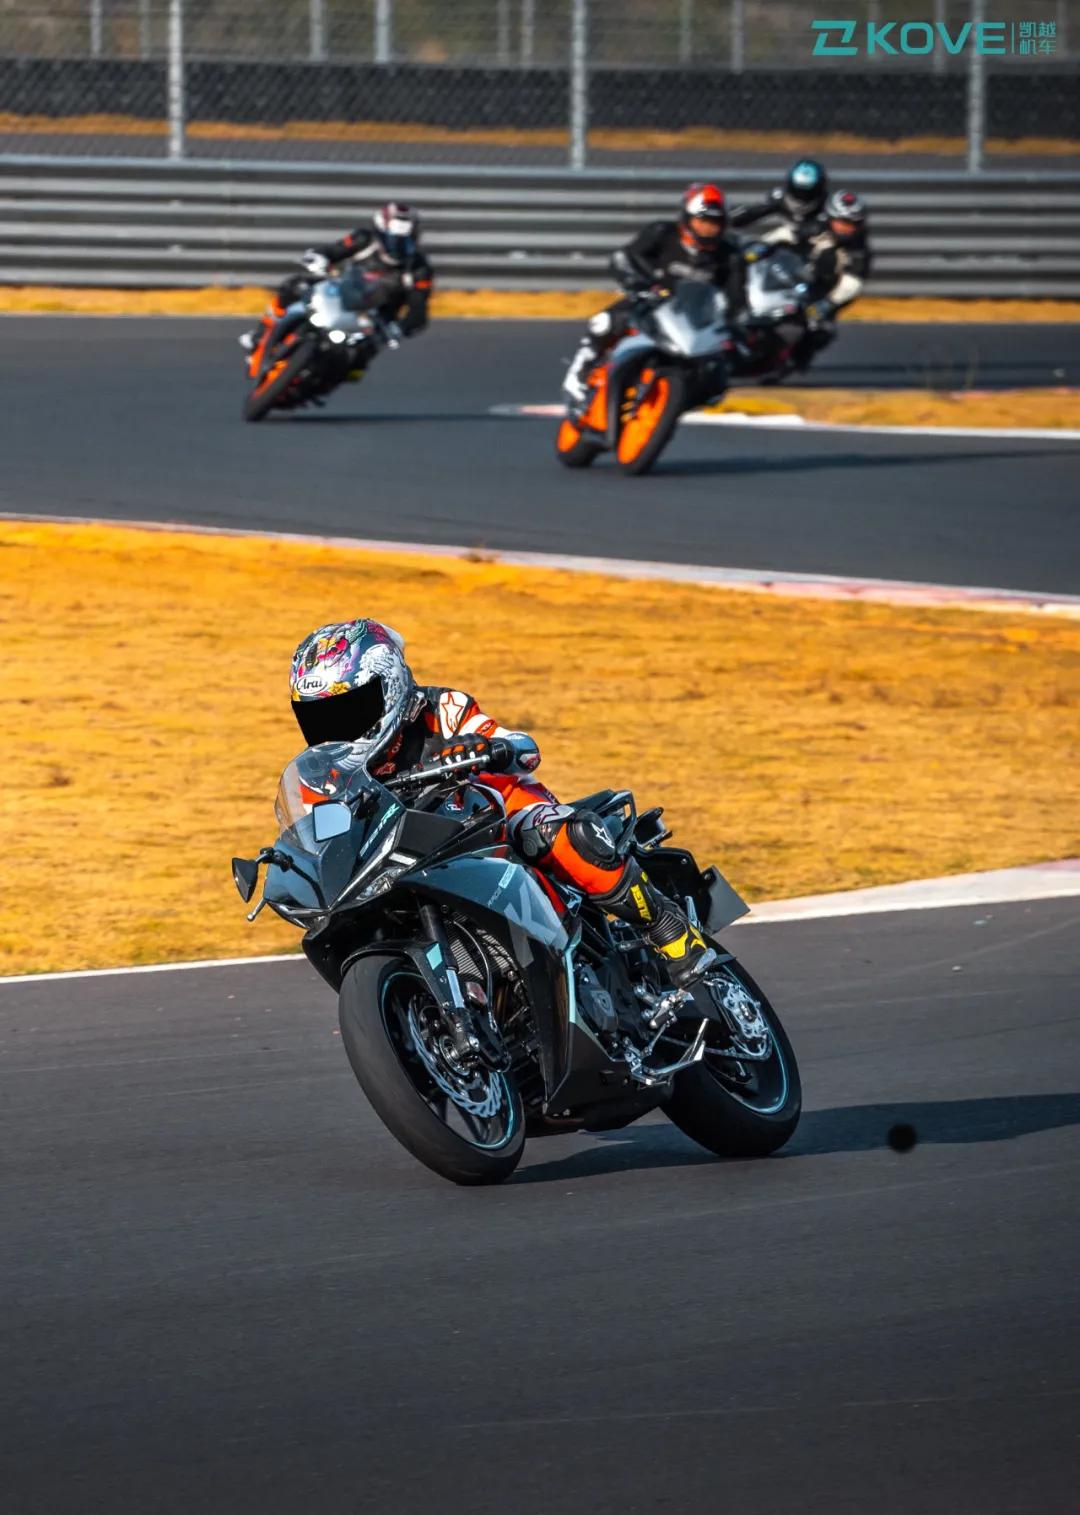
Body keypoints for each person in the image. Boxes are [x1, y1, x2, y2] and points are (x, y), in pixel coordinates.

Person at [289, 618, 717, 989]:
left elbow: (523, 748)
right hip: (410, 856)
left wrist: (490, 748)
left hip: (494, 818)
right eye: (320, 719)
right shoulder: (323, 775)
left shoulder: (441, 709)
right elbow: (325, 838)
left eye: (350, 710)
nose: (335, 730)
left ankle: (668, 929)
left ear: (392, 687)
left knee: (550, 833)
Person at [561, 182, 747, 404]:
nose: (708, 228)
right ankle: (581, 370)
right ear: (687, 218)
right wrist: (639, 283)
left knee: (723, 364)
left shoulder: (730, 256)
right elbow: (625, 258)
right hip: (652, 302)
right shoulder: (661, 233)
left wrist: (734, 324)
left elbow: (737, 299)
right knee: (604, 322)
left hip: (695, 321)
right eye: (703, 220)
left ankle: (692, 394)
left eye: (715, 222)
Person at [241, 201, 433, 358]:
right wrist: (319, 258)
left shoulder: (419, 268)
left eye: (405, 241)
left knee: (359, 359)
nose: (398, 246)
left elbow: (418, 310)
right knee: (295, 285)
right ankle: (260, 335)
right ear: (381, 231)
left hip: (372, 321)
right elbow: (334, 250)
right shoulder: (364, 240)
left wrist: (400, 328)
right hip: (341, 292)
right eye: (393, 239)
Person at [729, 157, 830, 238]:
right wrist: (729, 221)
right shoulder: (780, 198)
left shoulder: (828, 204)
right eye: (798, 191)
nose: (802, 198)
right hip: (787, 244)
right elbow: (754, 211)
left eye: (807, 193)